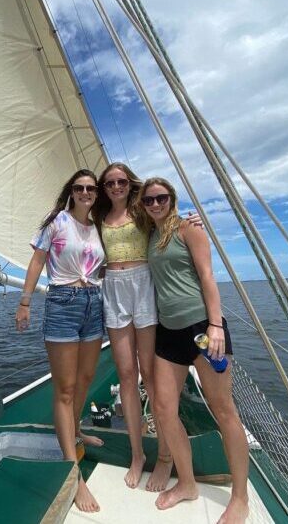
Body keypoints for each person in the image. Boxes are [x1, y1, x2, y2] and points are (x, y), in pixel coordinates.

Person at [139, 177, 249, 523]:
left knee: (223, 410)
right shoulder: (152, 235)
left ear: (172, 199)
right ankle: (186, 484)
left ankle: (240, 497)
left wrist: (216, 325)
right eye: (149, 200)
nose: (155, 204)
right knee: (163, 408)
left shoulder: (190, 230)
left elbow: (207, 277)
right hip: (168, 332)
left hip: (202, 329)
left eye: (161, 198)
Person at [16, 169, 106, 513]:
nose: (86, 192)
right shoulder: (57, 222)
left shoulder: (97, 226)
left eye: (91, 188)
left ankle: (77, 429)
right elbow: (38, 260)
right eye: (80, 187)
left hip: (93, 304)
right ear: (71, 191)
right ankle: (73, 471)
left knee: (85, 379)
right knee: (65, 388)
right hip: (63, 304)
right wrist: (25, 302)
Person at [91, 162, 174, 492]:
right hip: (113, 286)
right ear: (104, 186)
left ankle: (165, 454)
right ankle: (138, 454)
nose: (116, 186)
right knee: (126, 374)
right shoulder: (99, 217)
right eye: (109, 182)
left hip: (142, 285)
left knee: (149, 373)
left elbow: (167, 221)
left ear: (130, 183)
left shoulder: (143, 211)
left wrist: (193, 219)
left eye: (121, 181)